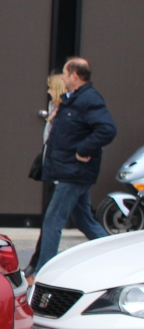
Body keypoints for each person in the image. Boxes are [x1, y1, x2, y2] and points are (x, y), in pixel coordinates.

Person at [33, 57, 117, 276]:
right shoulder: (74, 100)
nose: (62, 77)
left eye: (64, 72)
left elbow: (107, 129)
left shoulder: (89, 99)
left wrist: (83, 150)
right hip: (68, 170)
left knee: (53, 221)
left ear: (74, 75)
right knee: (84, 221)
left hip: (74, 172)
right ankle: (118, 254)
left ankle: (44, 272)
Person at [24, 73, 67, 278]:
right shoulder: (54, 109)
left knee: (51, 221)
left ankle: (41, 268)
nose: (48, 91)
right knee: (84, 220)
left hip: (63, 174)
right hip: (56, 172)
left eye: (50, 88)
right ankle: (36, 263)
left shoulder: (64, 112)